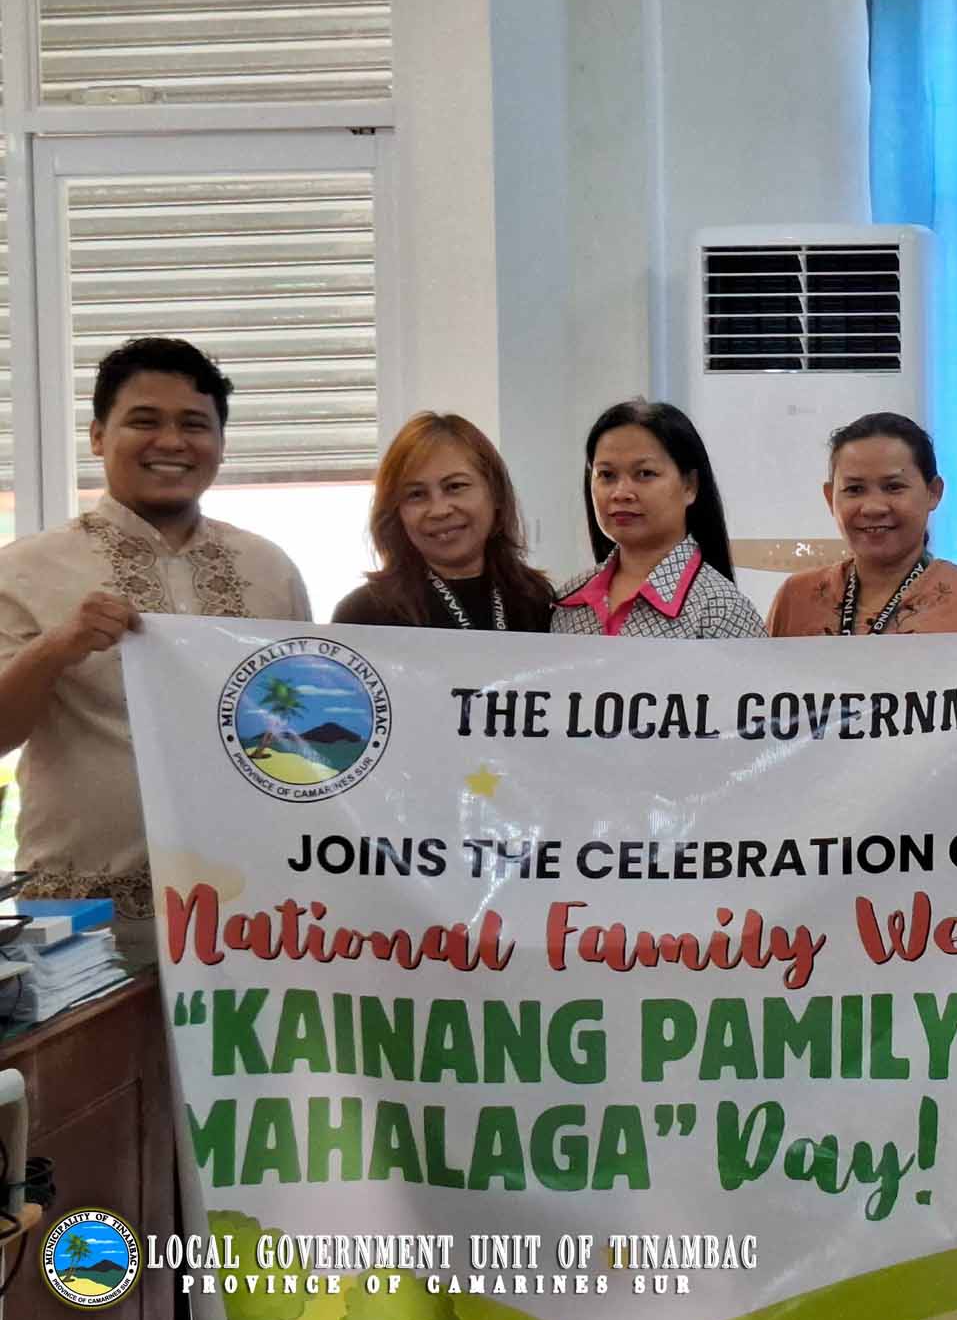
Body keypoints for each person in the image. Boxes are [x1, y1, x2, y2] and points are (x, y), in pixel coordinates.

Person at [0, 337, 310, 950]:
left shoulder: (270, 570)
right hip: (84, 925)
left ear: (220, 443)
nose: (171, 441)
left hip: (253, 918)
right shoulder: (25, 570)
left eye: (193, 424)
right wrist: (57, 648)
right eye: (144, 421)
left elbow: (306, 735)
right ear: (97, 436)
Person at [765, 412, 957, 636]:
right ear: (829, 498)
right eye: (854, 489)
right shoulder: (795, 599)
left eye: (893, 487)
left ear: (933, 492)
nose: (873, 507)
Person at [552, 400, 765, 640]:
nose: (621, 493)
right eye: (607, 475)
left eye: (645, 473)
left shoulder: (722, 612)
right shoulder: (567, 602)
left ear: (689, 486)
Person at [333, 412, 555, 631]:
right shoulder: (362, 615)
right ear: (395, 511)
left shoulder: (537, 600)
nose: (439, 511)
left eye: (455, 486)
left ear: (496, 492)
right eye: (416, 494)